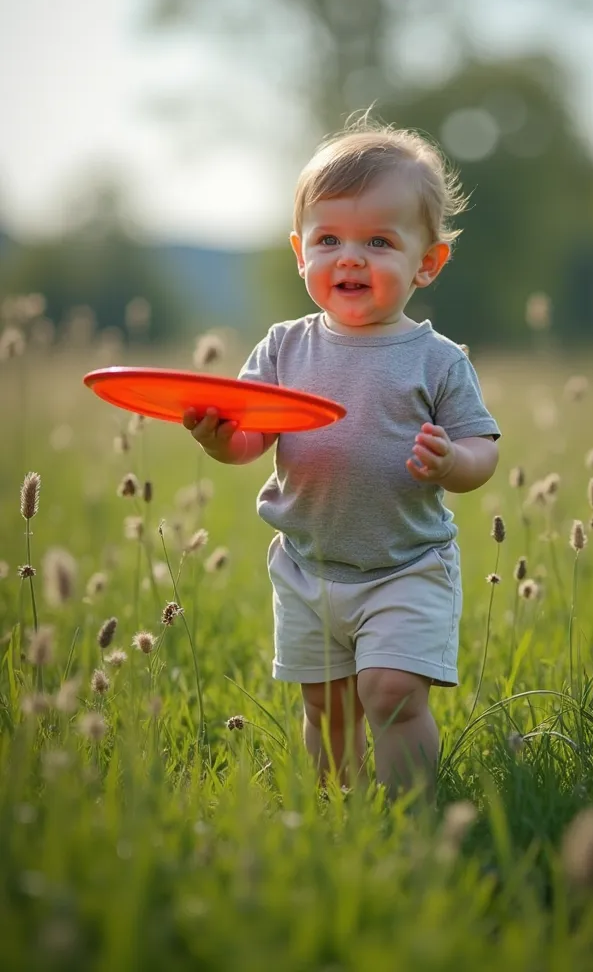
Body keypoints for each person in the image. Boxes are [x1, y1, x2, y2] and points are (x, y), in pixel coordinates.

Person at [183, 114, 501, 799]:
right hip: (309, 566)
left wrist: (453, 463)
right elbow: (249, 438)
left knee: (389, 692)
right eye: (328, 239)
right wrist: (219, 440)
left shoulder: (438, 361)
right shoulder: (282, 349)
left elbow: (483, 451)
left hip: (407, 564)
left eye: (378, 241)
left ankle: (411, 815)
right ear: (301, 253)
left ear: (427, 261)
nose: (349, 257)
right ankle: (341, 814)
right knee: (327, 705)